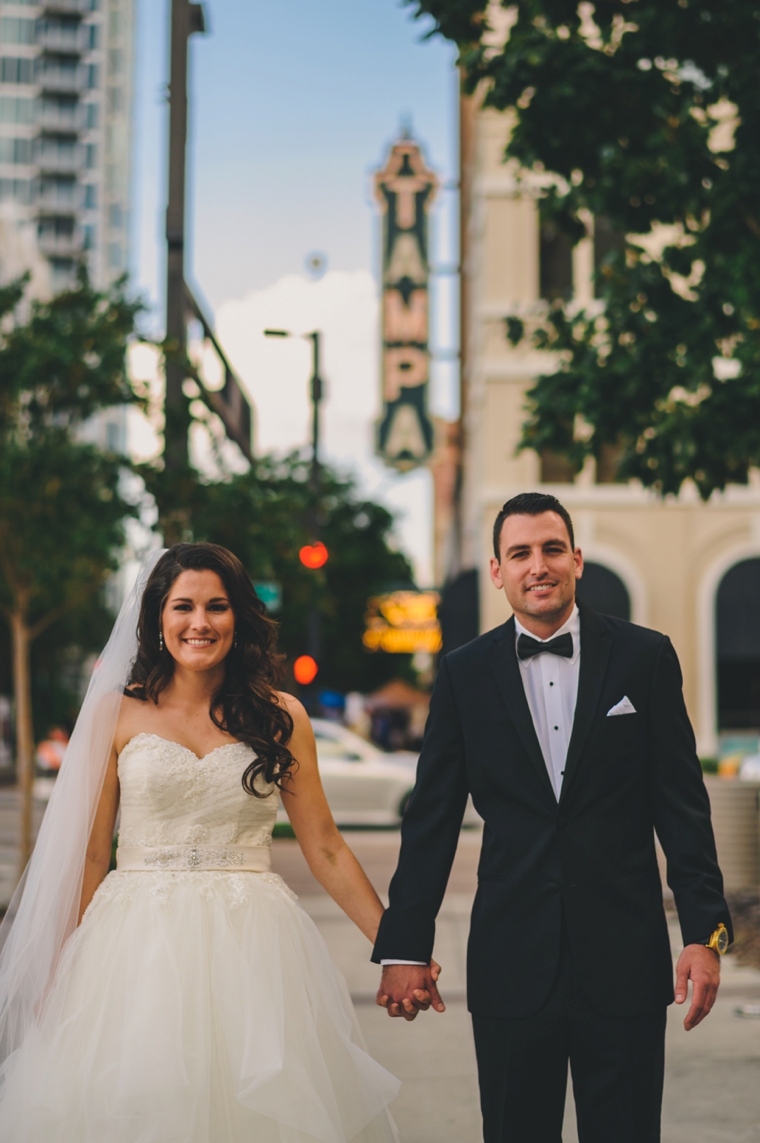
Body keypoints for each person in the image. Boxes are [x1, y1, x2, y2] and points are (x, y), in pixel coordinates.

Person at [0, 543, 408, 1142]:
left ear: (238, 616)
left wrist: (398, 951)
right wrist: (56, 969)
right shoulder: (116, 714)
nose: (200, 622)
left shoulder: (280, 717)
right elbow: (89, 855)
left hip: (254, 946)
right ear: (157, 620)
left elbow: (325, 848)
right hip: (132, 947)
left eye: (217, 606)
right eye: (182, 606)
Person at [373, 492, 731, 1143]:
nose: (538, 565)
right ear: (497, 571)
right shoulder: (462, 675)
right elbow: (432, 820)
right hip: (512, 963)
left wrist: (706, 934)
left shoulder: (645, 658)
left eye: (551, 549)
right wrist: (405, 944)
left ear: (577, 559)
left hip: (626, 962)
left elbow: (682, 806)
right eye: (520, 553)